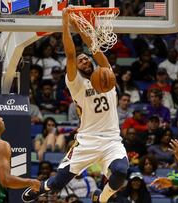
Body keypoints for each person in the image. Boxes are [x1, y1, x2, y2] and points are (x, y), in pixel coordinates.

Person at [22, 8, 129, 203]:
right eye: (81, 61)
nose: (84, 59)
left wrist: (82, 27)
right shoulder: (76, 84)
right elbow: (70, 55)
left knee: (121, 171)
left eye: (86, 58)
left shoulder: (107, 77)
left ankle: (101, 198)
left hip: (111, 139)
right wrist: (66, 23)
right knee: (57, 183)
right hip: (87, 140)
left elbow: (95, 48)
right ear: (77, 67)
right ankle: (42, 187)